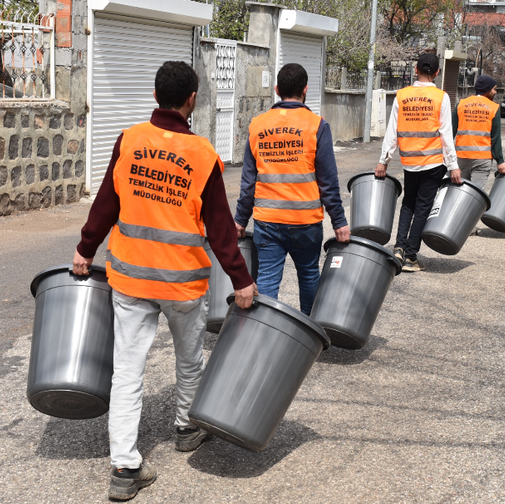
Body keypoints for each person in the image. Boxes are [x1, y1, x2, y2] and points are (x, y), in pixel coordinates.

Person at [72, 61, 256, 501]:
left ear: (156, 96)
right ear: (192, 99)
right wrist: (241, 280)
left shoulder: (130, 140)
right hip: (183, 286)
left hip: (132, 279)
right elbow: (220, 229)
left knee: (128, 371)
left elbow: (105, 203)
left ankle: (124, 467)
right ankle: (186, 427)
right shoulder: (203, 154)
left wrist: (85, 249)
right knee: (189, 361)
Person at [234, 63, 349, 315]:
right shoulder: (317, 126)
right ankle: (307, 336)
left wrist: (240, 220)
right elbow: (328, 182)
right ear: (305, 90)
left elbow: (248, 182)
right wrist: (339, 222)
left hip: (267, 221)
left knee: (266, 280)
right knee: (309, 276)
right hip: (305, 223)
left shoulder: (257, 126)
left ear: (277, 89)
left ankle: (263, 335)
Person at [375, 52, 460, 273]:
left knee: (408, 204)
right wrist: (453, 166)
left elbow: (392, 131)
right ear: (437, 73)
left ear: (415, 70)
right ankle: (411, 256)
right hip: (433, 162)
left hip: (409, 162)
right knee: (422, 208)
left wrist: (383, 160)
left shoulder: (402, 95)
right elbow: (446, 135)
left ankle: (399, 248)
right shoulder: (441, 97)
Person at [452, 74, 505, 190]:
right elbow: (495, 138)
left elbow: (450, 132)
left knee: (459, 193)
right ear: (487, 90)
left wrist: (448, 160)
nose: (495, 92)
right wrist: (500, 160)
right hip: (482, 159)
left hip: (461, 157)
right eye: (494, 89)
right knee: (475, 195)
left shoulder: (461, 104)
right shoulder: (493, 108)